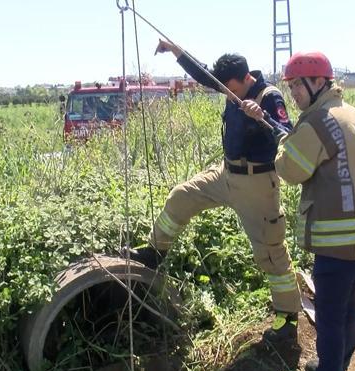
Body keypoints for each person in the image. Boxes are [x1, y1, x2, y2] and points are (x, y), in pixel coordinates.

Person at [125, 39, 302, 345]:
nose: (227, 93)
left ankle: (287, 319)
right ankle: (154, 252)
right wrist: (176, 50)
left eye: (231, 87)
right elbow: (205, 75)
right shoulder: (231, 87)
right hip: (226, 174)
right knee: (181, 196)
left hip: (257, 184)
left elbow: (286, 135)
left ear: (247, 78)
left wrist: (262, 117)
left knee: (271, 253)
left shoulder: (269, 96)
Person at [242, 52, 355, 371]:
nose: (291, 94)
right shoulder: (354, 115)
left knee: (331, 323)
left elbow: (290, 169)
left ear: (317, 82)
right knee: (350, 313)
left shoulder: (318, 121)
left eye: (295, 86)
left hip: (338, 240)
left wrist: (280, 145)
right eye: (288, 87)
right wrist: (283, 131)